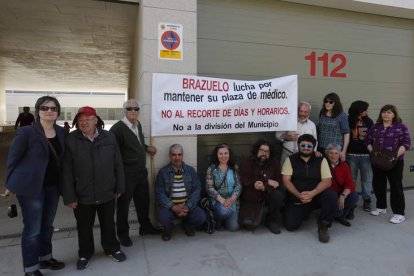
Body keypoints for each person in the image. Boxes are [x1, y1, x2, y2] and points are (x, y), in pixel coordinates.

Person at [3, 96, 65, 276]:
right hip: (31, 188)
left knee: (47, 225)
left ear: (57, 112)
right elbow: (13, 158)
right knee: (33, 229)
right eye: (45, 108)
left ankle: (45, 257)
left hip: (53, 186)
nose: (49, 111)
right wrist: (10, 183)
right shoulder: (27, 132)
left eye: (53, 108)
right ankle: (30, 268)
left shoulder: (61, 132)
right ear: (38, 111)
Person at [61, 106, 126, 270]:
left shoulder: (109, 137)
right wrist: (69, 196)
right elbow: (66, 170)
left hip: (107, 191)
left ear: (96, 120)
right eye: (81, 120)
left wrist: (120, 186)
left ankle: (112, 248)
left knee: (108, 224)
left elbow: (118, 164)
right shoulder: (71, 140)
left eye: (88, 119)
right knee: (83, 226)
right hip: (82, 194)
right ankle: (85, 253)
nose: (84, 122)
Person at [110, 99, 161, 247]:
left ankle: (145, 227)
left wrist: (146, 148)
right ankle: (123, 234)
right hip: (126, 174)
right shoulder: (117, 129)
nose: (133, 111)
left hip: (140, 172)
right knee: (123, 206)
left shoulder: (137, 124)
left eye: (136, 109)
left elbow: (135, 143)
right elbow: (113, 152)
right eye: (130, 109)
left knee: (143, 201)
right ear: (124, 110)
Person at [282, 134, 336, 243]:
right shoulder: (290, 159)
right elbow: (286, 181)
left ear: (313, 147)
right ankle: (301, 212)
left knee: (331, 196)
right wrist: (298, 195)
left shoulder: (321, 159)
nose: (306, 148)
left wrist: (313, 193)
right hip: (297, 198)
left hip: (315, 197)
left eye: (309, 146)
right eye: (303, 145)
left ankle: (323, 226)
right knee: (291, 226)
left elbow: (327, 180)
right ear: (298, 146)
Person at [366, 104, 411, 224]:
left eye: (389, 112)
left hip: (395, 161)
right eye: (384, 112)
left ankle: (399, 213)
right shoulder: (376, 127)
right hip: (378, 160)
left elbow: (406, 143)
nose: (386, 114)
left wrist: (394, 156)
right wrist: (374, 153)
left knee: (396, 186)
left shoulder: (401, 127)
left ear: (394, 114)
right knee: (378, 184)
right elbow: (368, 141)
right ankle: (381, 207)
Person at [156, 144, 206, 241]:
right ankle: (168, 228)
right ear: (170, 156)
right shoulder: (163, 172)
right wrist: (173, 207)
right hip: (170, 207)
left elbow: (197, 190)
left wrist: (187, 206)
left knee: (201, 217)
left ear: (183, 155)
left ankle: (187, 224)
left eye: (179, 154)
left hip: (187, 206)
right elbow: (159, 193)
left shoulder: (190, 171)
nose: (177, 157)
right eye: (174, 155)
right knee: (162, 216)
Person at [239, 139, 285, 234]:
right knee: (248, 226)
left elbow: (277, 182)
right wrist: (259, 183)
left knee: (278, 195)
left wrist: (264, 184)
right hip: (252, 193)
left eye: (267, 151)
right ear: (256, 150)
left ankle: (272, 221)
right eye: (261, 150)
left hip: (268, 192)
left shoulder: (274, 163)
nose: (264, 153)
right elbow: (245, 179)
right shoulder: (247, 162)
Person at [205, 143, 242, 231]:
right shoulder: (212, 168)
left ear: (229, 154)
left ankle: (226, 219)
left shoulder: (234, 168)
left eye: (226, 153)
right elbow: (209, 188)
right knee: (224, 212)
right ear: (216, 155)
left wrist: (232, 199)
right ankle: (218, 219)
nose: (223, 156)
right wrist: (222, 200)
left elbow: (238, 185)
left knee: (234, 228)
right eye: (220, 153)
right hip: (218, 201)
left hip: (232, 201)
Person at [347, 101, 374, 212]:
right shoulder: (348, 120)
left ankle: (367, 200)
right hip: (351, 154)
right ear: (358, 110)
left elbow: (372, 138)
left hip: (365, 155)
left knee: (366, 179)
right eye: (364, 109)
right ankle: (351, 200)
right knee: (351, 179)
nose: (366, 111)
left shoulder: (369, 121)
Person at [325, 144, 359, 227]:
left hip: (341, 192)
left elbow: (350, 183)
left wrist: (343, 195)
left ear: (340, 154)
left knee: (354, 196)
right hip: (329, 193)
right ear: (327, 154)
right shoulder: (323, 164)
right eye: (331, 153)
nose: (334, 156)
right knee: (330, 196)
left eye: (336, 153)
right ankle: (332, 215)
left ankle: (342, 216)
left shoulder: (344, 165)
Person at [318, 93, 350, 161]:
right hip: (321, 147)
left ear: (336, 103)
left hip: (335, 149)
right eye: (326, 101)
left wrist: (343, 151)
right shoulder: (322, 112)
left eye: (331, 102)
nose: (328, 103)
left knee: (333, 170)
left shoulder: (342, 115)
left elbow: (346, 134)